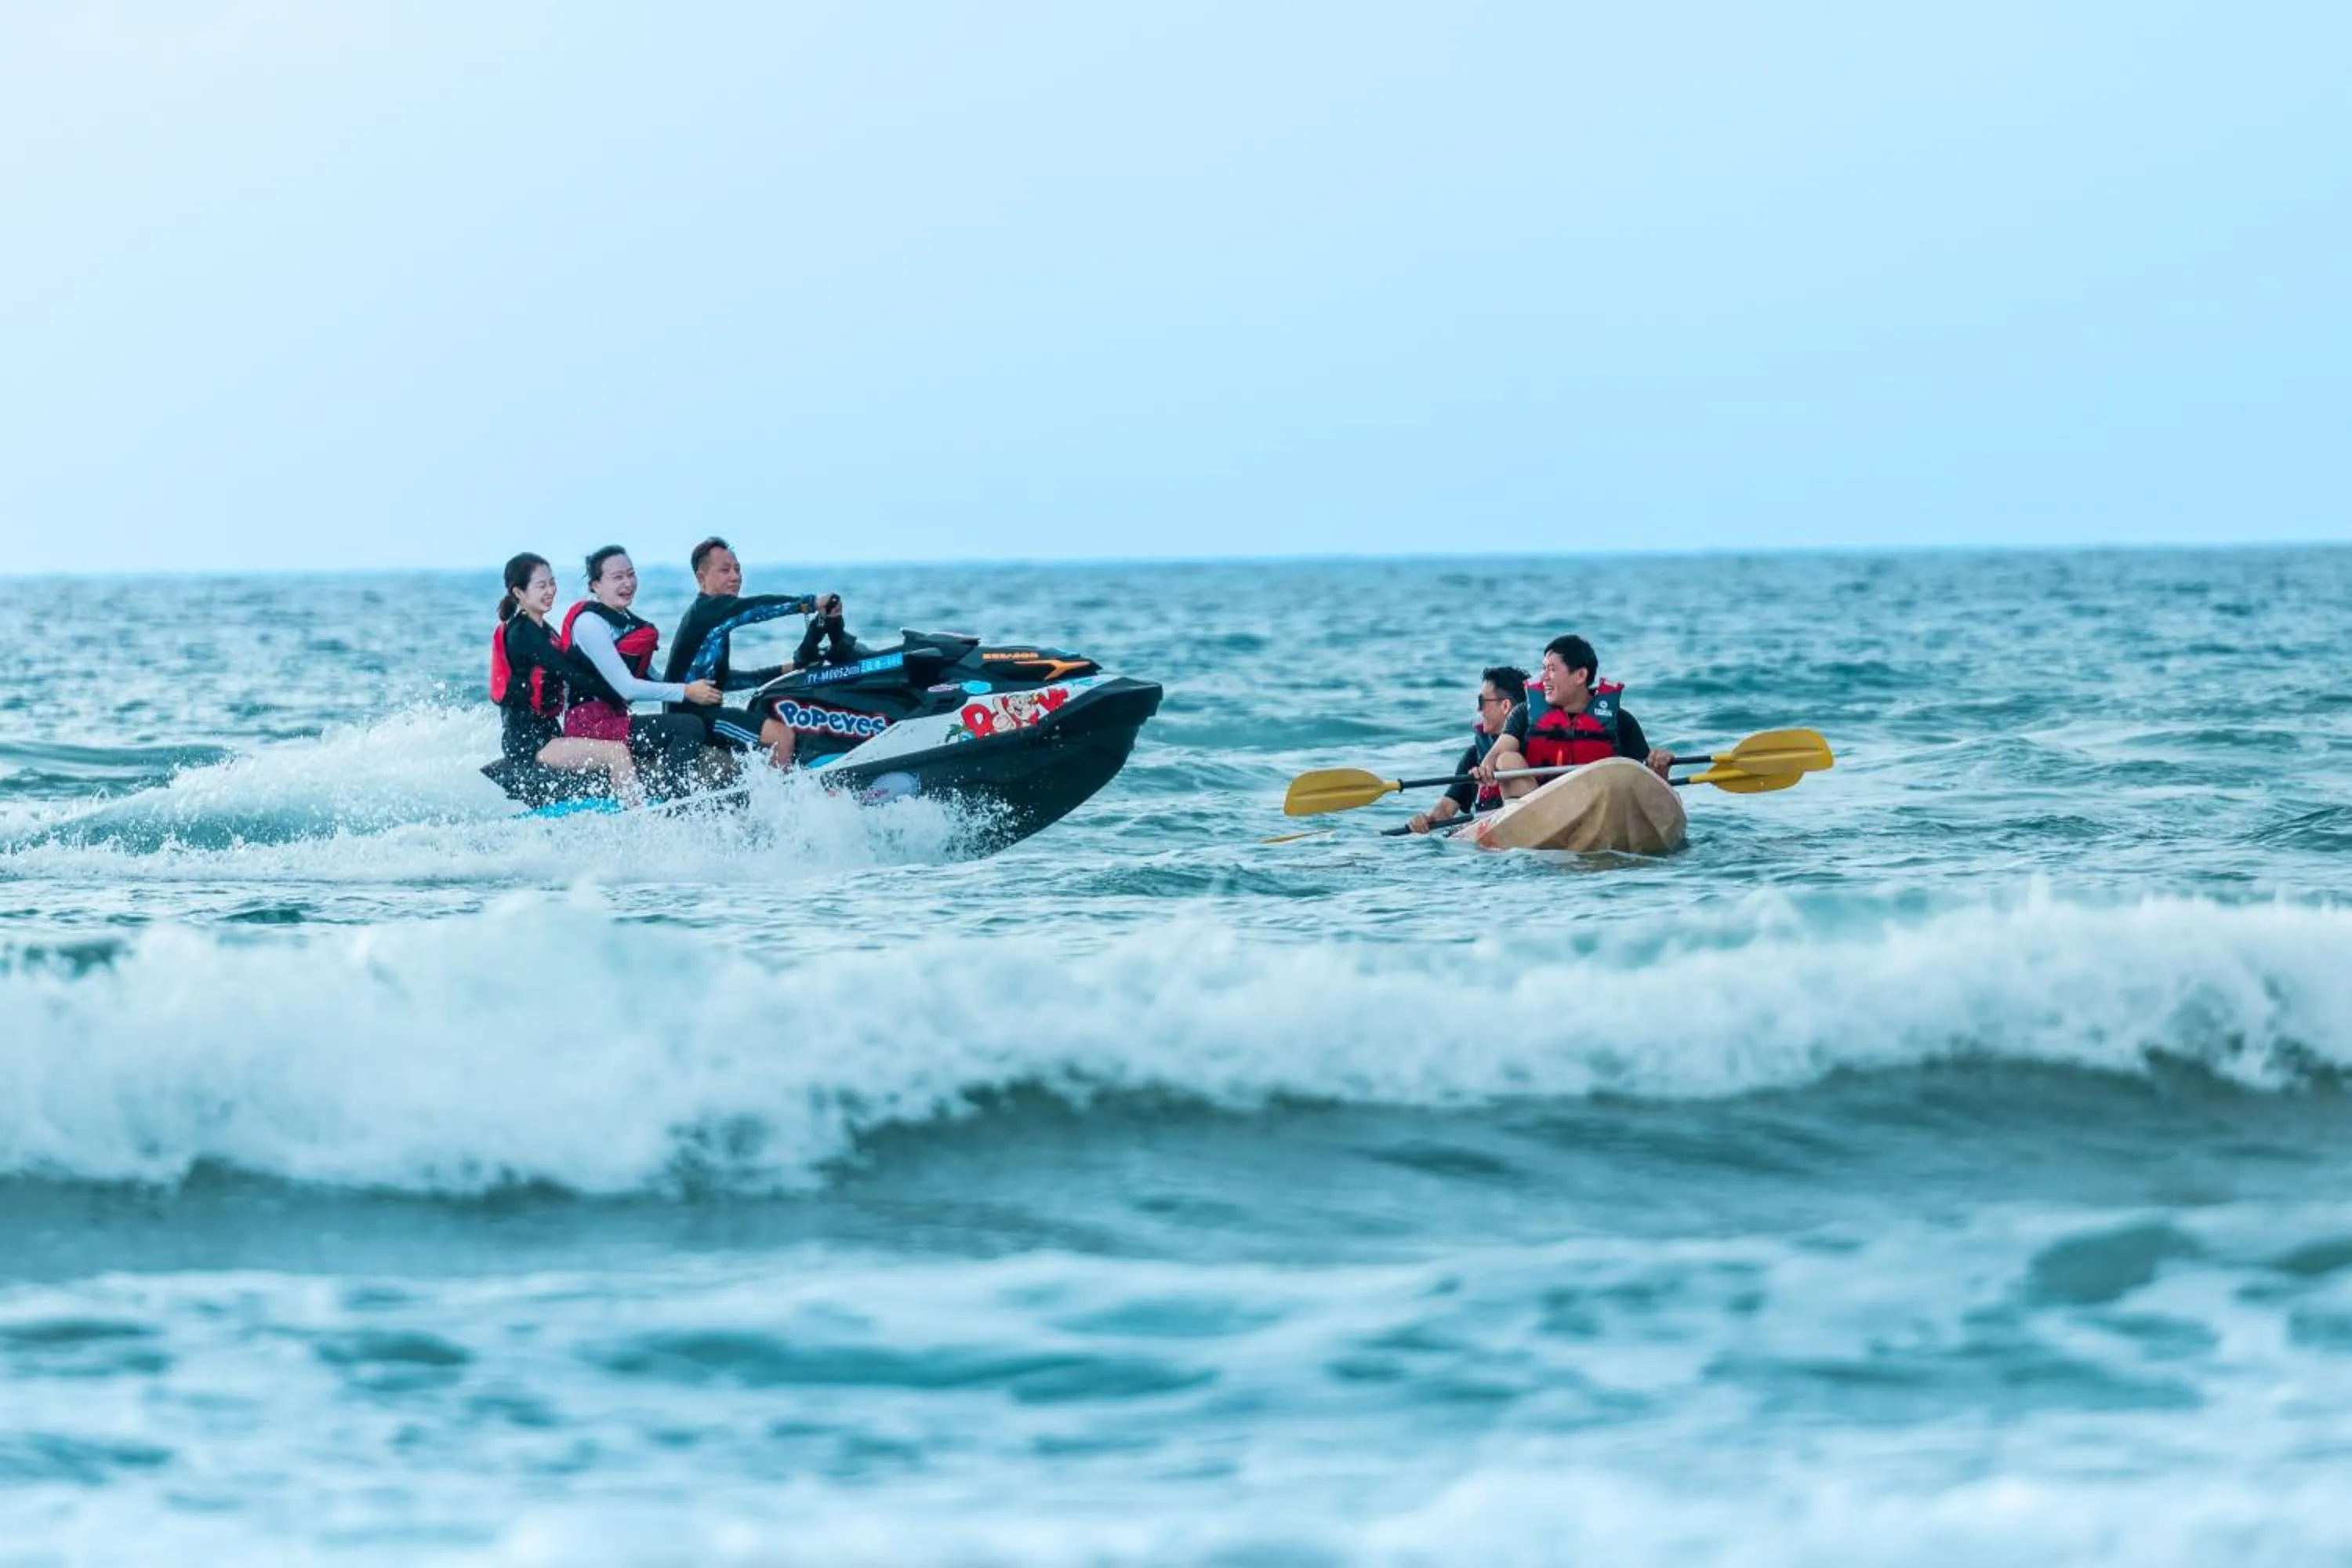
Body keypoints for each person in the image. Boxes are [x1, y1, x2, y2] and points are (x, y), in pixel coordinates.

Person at [661, 535, 844, 767]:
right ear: (702, 578)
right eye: (725, 570)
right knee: (782, 737)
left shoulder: (713, 622)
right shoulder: (707, 612)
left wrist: (789, 669)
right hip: (697, 722)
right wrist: (810, 603)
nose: (736, 577)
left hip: (706, 717)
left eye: (738, 569)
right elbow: (754, 609)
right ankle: (781, 801)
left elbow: (725, 681)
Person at [558, 546, 721, 793]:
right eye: (617, 577)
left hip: (614, 718)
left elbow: (654, 677)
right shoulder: (589, 624)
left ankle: (675, 787)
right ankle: (676, 799)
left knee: (697, 720)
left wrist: (704, 679)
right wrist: (686, 691)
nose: (628, 583)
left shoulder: (624, 622)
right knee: (688, 727)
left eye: (631, 574)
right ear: (596, 586)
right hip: (588, 725)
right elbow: (626, 687)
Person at [488, 553, 644, 804]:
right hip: (531, 744)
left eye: (552, 583)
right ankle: (641, 819)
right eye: (541, 586)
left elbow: (578, 667)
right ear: (519, 593)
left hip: (549, 735)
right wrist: (620, 691)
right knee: (617, 753)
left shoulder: (544, 630)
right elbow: (569, 672)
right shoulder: (524, 633)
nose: (550, 590)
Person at [1475, 634, 1675, 800]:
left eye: (1552, 670)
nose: (1543, 677)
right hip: (1536, 809)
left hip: (1599, 806)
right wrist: (1485, 768)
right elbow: (1496, 755)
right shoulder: (1523, 714)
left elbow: (1651, 790)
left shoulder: (1621, 721)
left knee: (1627, 771)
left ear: (1580, 676)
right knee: (1507, 759)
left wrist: (1660, 768)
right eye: (1543, 669)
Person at [1407, 666, 1526, 834]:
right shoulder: (1474, 755)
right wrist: (1425, 821)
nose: (1478, 710)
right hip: (1492, 844)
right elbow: (1446, 810)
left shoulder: (1536, 742)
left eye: (1482, 702)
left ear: (1505, 706)